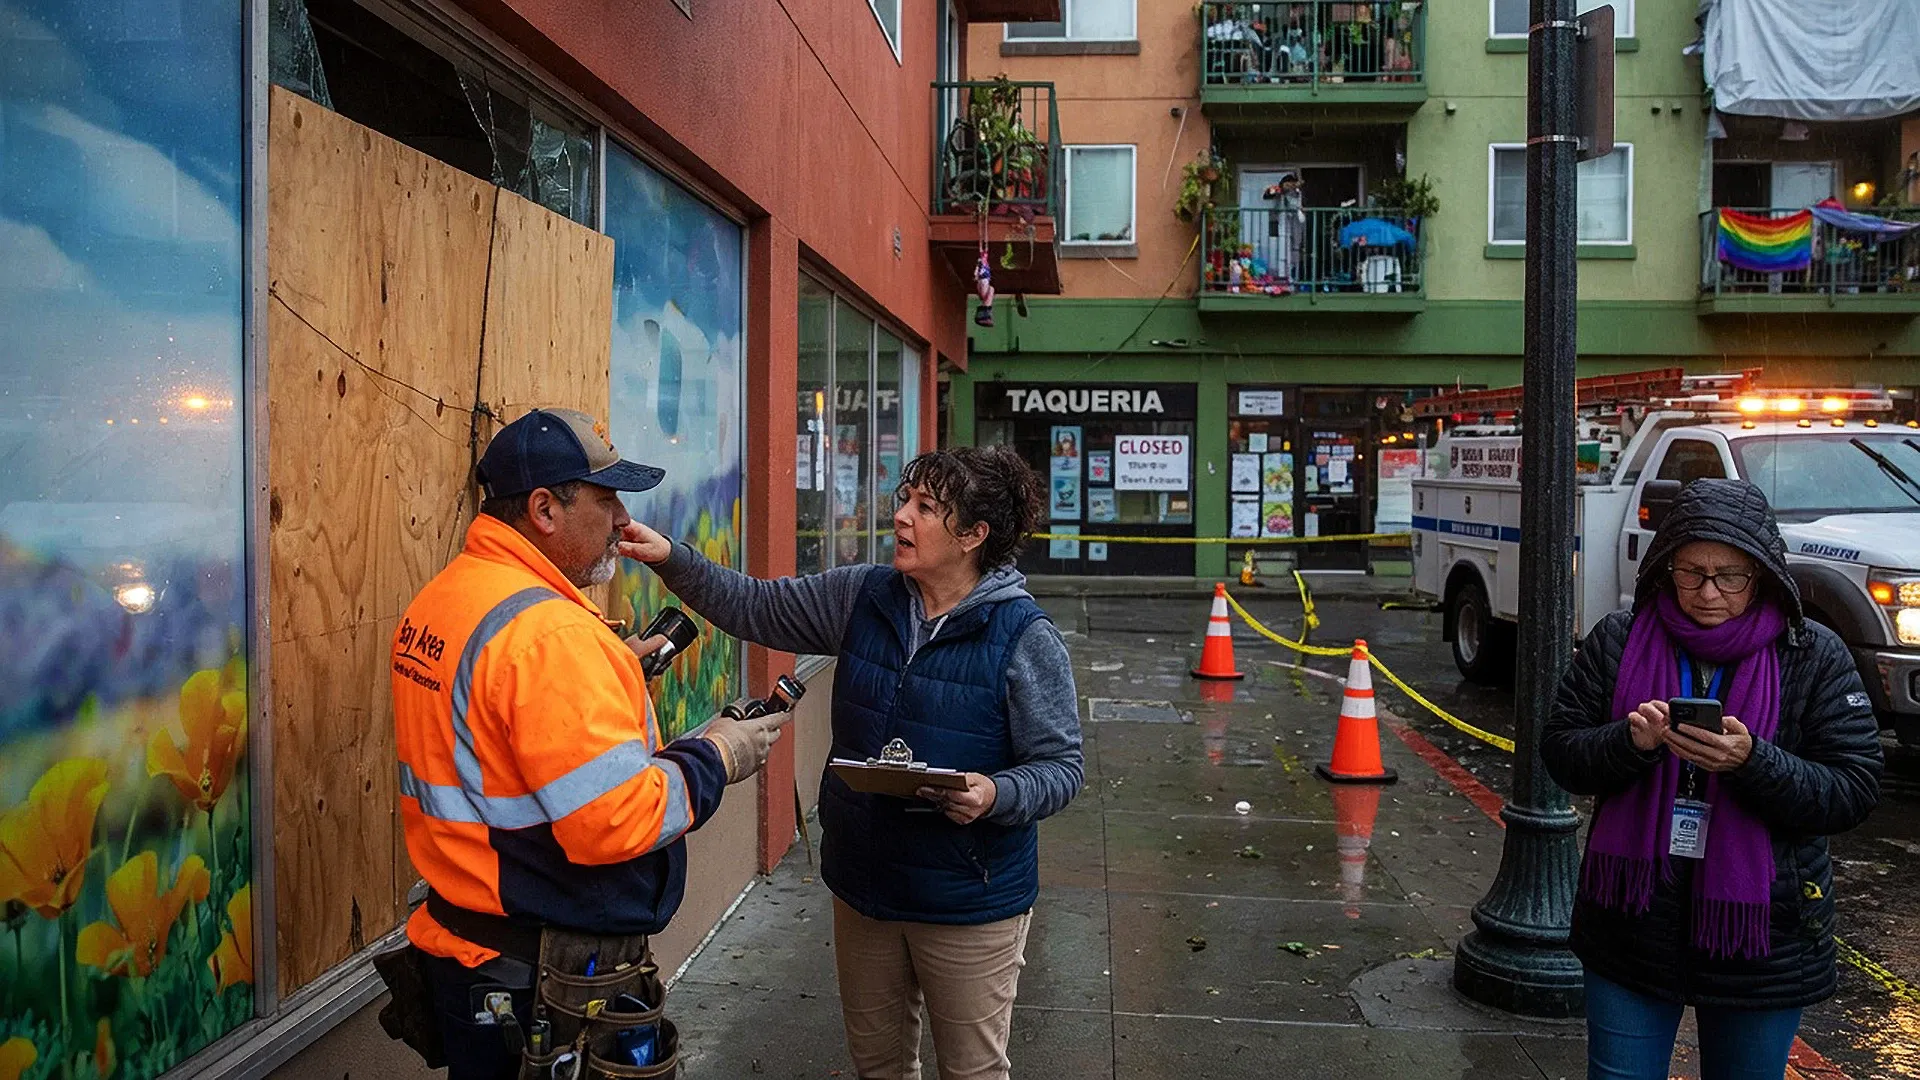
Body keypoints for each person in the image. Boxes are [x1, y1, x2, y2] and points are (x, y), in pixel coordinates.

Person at [620, 445, 1083, 1080]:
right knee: (878, 1067)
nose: (901, 518)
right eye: (904, 500)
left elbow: (1060, 767)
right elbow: (754, 606)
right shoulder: (864, 595)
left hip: (968, 899)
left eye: (926, 508)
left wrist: (994, 794)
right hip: (865, 885)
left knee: (972, 1072)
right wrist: (672, 558)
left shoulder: (1025, 636)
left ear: (974, 536)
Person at [385, 408, 789, 1080]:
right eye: (606, 501)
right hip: (540, 982)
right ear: (544, 508)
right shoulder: (552, 637)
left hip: (470, 954)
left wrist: (606, 683)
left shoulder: (449, 597)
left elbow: (494, 739)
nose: (624, 523)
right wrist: (719, 752)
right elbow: (615, 821)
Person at [1542, 478, 1882, 1080]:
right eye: (1690, 571)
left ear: (1762, 574)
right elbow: (1562, 753)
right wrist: (1629, 742)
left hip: (1763, 940)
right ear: (1665, 566)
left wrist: (1754, 762)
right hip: (1632, 927)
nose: (1707, 591)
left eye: (1729, 576)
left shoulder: (1813, 654)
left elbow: (1852, 789)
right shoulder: (1618, 640)